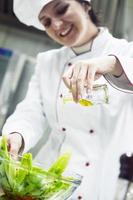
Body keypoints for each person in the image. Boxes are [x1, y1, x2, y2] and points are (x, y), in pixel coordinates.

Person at [2, 0, 133, 199]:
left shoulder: (124, 52)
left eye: (62, 9)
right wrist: (17, 135)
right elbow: (32, 112)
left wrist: (112, 64)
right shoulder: (47, 62)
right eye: (46, 22)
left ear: (85, 4)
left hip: (103, 183)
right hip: (49, 185)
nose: (56, 25)